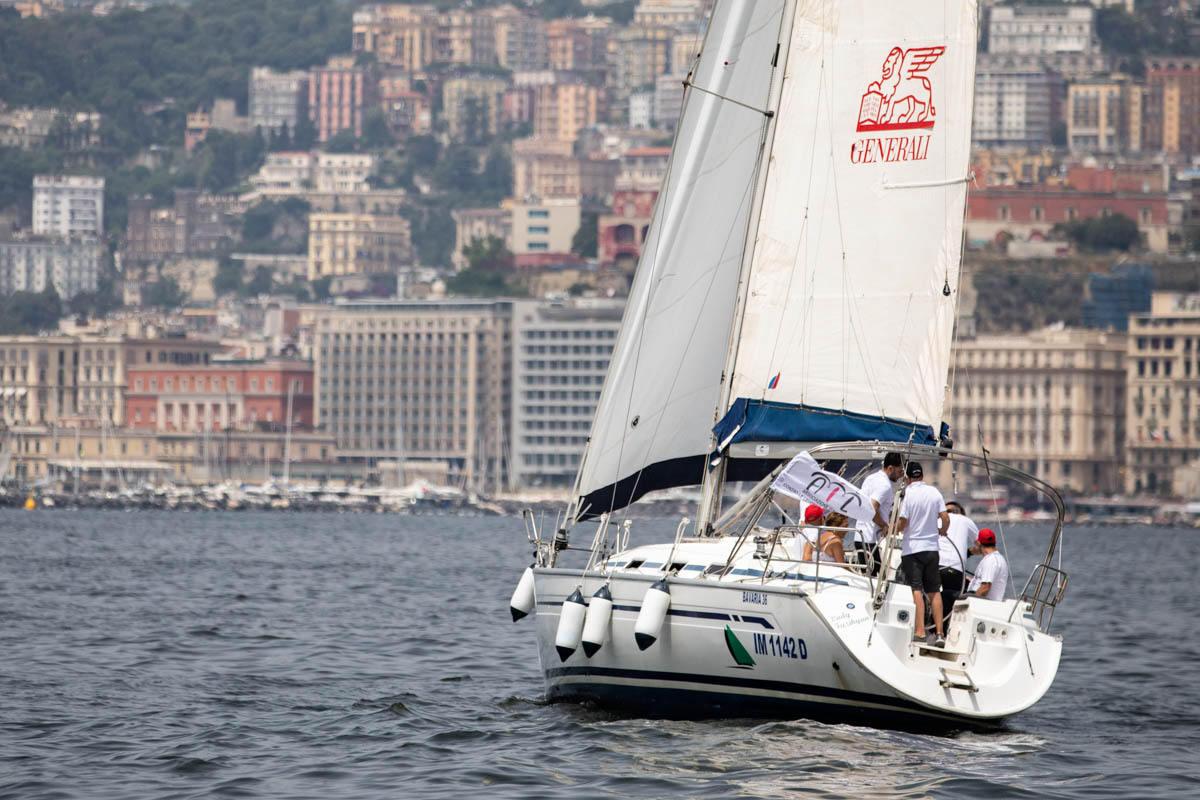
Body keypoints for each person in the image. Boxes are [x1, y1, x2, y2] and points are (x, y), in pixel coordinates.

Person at [895, 461, 950, 646]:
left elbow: (903, 522)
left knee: (917, 589)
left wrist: (895, 529)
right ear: (923, 476)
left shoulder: (908, 494)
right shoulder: (934, 492)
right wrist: (942, 531)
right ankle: (940, 633)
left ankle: (919, 631)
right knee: (935, 590)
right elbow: (945, 517)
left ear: (907, 478)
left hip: (913, 550)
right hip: (932, 549)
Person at [853, 452, 903, 575]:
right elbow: (872, 508)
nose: (900, 476)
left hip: (860, 535)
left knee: (870, 576)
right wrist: (884, 526)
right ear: (890, 468)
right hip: (869, 539)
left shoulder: (870, 478)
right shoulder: (884, 485)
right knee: (874, 578)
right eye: (899, 471)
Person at [938, 501, 979, 619]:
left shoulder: (938, 520)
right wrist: (969, 552)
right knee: (954, 602)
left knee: (934, 596)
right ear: (961, 512)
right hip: (955, 569)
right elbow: (982, 545)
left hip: (935, 566)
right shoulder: (965, 520)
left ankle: (935, 629)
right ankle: (947, 631)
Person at [968, 528, 1009, 601]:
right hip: (981, 597)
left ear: (979, 543)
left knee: (947, 595)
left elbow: (985, 588)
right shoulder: (998, 558)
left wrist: (969, 602)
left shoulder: (991, 561)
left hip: (983, 601)